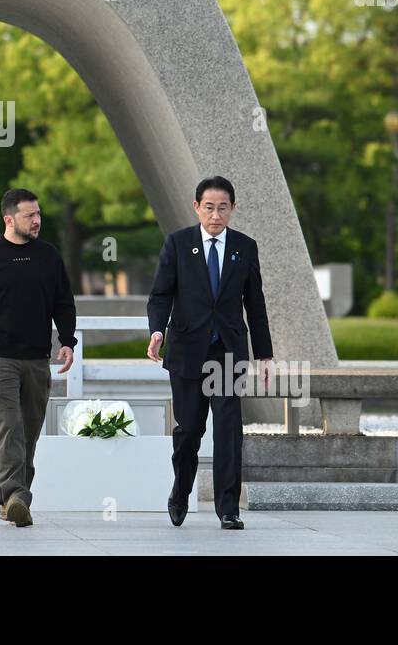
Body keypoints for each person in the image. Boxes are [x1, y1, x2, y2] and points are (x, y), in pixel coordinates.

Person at [146, 176, 274, 530]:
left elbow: (255, 303)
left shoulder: (244, 247)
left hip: (227, 352)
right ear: (196, 207)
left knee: (230, 429)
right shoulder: (178, 244)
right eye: (209, 207)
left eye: (222, 208)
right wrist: (157, 330)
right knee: (189, 430)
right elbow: (160, 295)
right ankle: (180, 491)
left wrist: (264, 353)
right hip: (187, 351)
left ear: (233, 209)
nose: (215, 215)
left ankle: (228, 508)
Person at [0, 188, 76, 527]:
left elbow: (63, 303)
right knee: (9, 428)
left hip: (37, 361)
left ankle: (11, 499)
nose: (37, 221)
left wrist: (67, 341)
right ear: (10, 219)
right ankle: (17, 496)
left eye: (38, 214)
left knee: (29, 434)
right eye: (29, 216)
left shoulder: (49, 256)